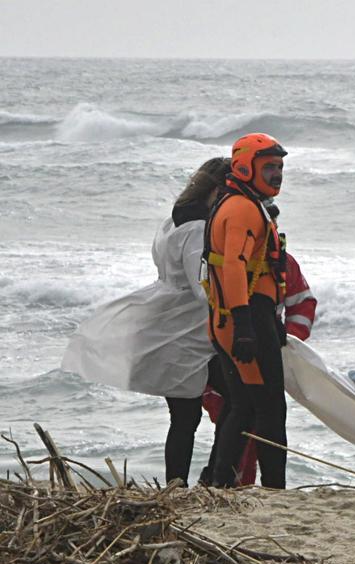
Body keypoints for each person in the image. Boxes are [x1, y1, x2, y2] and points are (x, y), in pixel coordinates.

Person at [61, 157, 229, 486]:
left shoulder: (173, 221)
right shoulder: (198, 228)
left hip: (168, 322)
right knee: (223, 405)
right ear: (218, 190)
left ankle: (182, 482)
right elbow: (201, 288)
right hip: (187, 331)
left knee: (187, 415)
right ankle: (204, 479)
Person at [203, 132, 290, 488]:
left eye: (280, 167)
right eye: (269, 166)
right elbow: (235, 267)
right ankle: (273, 489)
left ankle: (220, 481)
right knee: (269, 409)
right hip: (244, 316)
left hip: (243, 316)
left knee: (245, 406)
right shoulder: (241, 209)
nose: (277, 174)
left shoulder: (243, 203)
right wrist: (246, 325)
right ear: (243, 166)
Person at [200, 250, 317, 486]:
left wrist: (286, 340)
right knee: (238, 418)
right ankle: (225, 483)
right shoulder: (223, 260)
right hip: (220, 358)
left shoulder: (282, 263)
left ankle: (245, 485)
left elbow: (303, 304)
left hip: (260, 353)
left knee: (252, 421)